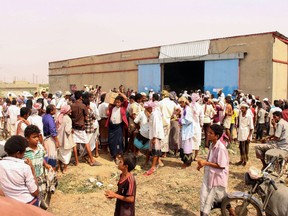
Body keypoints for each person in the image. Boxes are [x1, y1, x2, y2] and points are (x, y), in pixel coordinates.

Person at [197, 124, 232, 216]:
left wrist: (206, 163)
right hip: (210, 176)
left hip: (217, 178)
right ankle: (232, 212)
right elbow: (211, 159)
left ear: (217, 136)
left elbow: (221, 165)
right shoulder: (213, 144)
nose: (208, 134)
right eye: (208, 132)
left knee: (207, 201)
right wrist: (202, 165)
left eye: (210, 133)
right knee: (209, 199)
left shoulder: (221, 148)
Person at [0, 135, 39, 206]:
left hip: (9, 203)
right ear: (18, 154)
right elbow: (35, 192)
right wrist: (32, 169)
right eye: (24, 152)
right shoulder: (25, 167)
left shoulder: (1, 164)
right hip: (27, 203)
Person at [71, 91, 99, 166]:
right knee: (87, 143)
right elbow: (86, 117)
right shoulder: (83, 106)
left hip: (74, 127)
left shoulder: (72, 105)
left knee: (75, 144)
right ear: (80, 97)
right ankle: (91, 159)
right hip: (81, 127)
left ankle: (77, 161)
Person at [106, 92, 129, 160]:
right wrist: (108, 106)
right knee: (111, 141)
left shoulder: (123, 108)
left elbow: (125, 98)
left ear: (121, 103)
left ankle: (118, 155)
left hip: (118, 127)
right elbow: (107, 113)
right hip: (111, 126)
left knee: (118, 141)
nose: (117, 104)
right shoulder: (112, 108)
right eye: (116, 102)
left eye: (118, 102)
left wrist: (120, 93)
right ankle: (113, 154)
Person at [144, 101, 164, 176]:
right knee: (156, 150)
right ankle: (157, 164)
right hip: (155, 135)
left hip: (156, 135)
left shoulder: (154, 114)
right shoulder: (155, 113)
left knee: (155, 151)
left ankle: (153, 166)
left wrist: (154, 137)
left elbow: (156, 126)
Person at [157, 90, 180, 157]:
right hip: (167, 121)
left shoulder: (160, 103)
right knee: (166, 137)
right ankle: (165, 153)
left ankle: (160, 152)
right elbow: (179, 110)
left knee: (160, 137)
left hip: (160, 122)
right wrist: (173, 115)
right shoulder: (172, 103)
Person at [56, 105, 76, 173]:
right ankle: (65, 168)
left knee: (59, 153)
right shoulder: (68, 119)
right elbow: (67, 130)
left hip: (59, 138)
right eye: (70, 109)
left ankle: (58, 168)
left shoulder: (59, 116)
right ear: (67, 111)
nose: (71, 110)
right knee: (66, 154)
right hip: (66, 139)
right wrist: (71, 130)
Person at [42, 104, 60, 169]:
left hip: (45, 137)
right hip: (50, 138)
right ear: (51, 111)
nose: (55, 111)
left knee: (47, 154)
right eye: (55, 110)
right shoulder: (49, 118)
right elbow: (52, 130)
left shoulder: (44, 116)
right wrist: (57, 141)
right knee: (52, 154)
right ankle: (52, 169)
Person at [178, 96, 194, 168]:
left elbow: (189, 120)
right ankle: (186, 161)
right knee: (184, 146)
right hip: (184, 130)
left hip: (187, 131)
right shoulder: (184, 109)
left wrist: (180, 121)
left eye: (181, 103)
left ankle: (187, 162)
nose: (180, 104)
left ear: (184, 102)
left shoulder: (187, 110)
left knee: (187, 146)